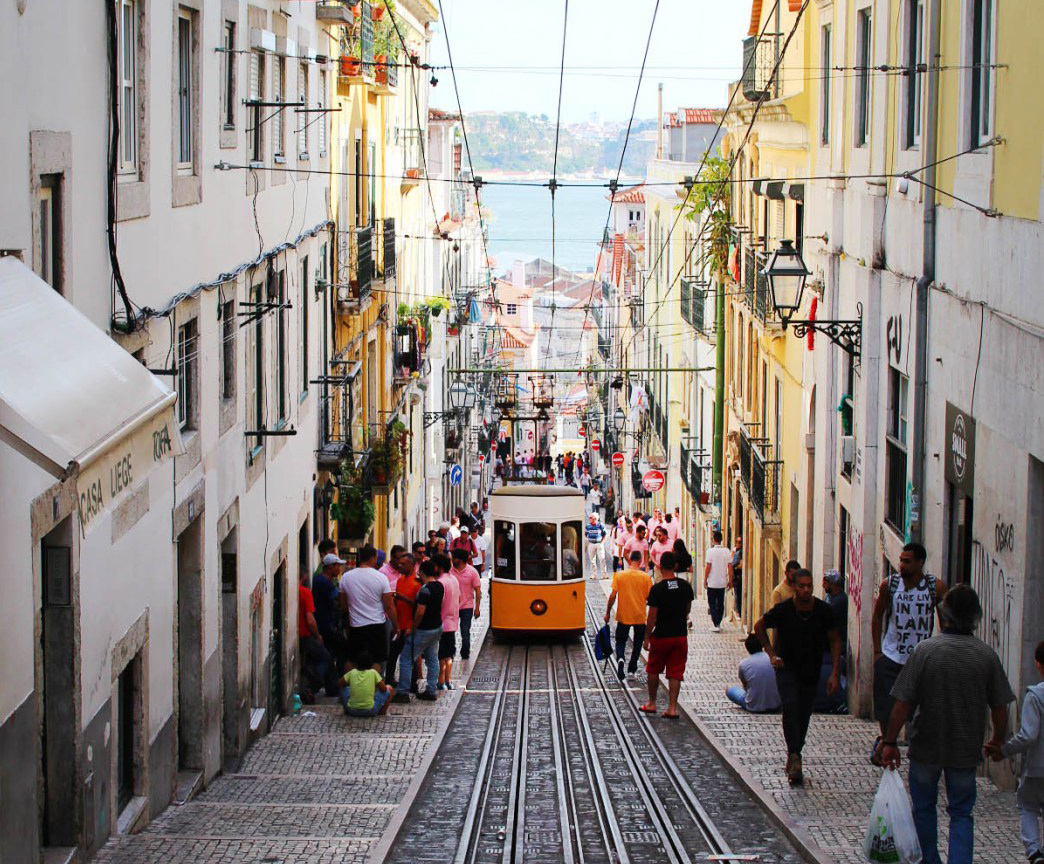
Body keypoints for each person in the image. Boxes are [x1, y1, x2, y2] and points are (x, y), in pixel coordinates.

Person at [879, 585, 1014, 864]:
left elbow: (903, 704)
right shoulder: (986, 655)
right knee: (962, 811)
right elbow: (1000, 706)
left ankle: (929, 861)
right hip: (965, 749)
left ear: (944, 615)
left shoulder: (925, 651)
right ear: (976, 617)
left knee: (924, 808)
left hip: (926, 746)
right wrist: (999, 740)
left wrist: (889, 742)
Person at [754, 568, 840, 785]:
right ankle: (795, 756)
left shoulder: (823, 611)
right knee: (790, 706)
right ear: (794, 588)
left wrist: (835, 673)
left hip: (811, 669)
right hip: (786, 668)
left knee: (804, 713)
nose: (805, 590)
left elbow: (834, 640)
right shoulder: (783, 610)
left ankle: (795, 752)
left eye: (809, 586)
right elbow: (759, 626)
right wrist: (771, 654)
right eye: (801, 586)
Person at [870, 542, 947, 759]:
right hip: (891, 656)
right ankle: (886, 742)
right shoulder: (890, 585)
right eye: (901, 560)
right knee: (885, 707)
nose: (901, 565)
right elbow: (877, 616)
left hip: (921, 659)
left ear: (920, 563)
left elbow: (945, 620)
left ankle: (917, 746)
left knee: (921, 708)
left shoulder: (935, 587)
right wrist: (877, 652)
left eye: (907, 561)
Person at [989, 640, 1044, 864]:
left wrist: (1005, 749)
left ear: (1038, 664)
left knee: (1027, 805)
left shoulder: (1036, 696)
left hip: (1038, 767)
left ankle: (1034, 851)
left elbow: (1029, 735)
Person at [641, 552, 694, 719]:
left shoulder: (657, 589)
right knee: (675, 672)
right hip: (680, 636)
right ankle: (672, 708)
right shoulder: (685, 586)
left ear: (659, 567)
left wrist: (647, 637)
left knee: (653, 669)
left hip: (662, 636)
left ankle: (652, 703)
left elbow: (652, 616)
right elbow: (687, 610)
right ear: (676, 566)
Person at [339, 546, 399, 672]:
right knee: (377, 659)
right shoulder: (381, 578)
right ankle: (375, 688)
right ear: (373, 558)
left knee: (352, 658)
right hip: (377, 624)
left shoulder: (346, 577)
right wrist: (396, 626)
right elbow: (389, 606)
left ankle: (348, 687)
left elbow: (343, 605)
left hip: (356, 625)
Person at [394, 559, 445, 701]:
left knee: (406, 659)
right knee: (432, 659)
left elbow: (420, 612)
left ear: (422, 572)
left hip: (423, 630)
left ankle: (403, 692)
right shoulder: (439, 586)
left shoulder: (425, 590)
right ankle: (431, 691)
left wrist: (412, 628)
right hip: (437, 627)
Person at [604, 549, 652, 681]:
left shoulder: (620, 575)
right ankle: (632, 668)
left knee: (620, 641)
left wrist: (608, 612)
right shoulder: (646, 578)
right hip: (639, 616)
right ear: (641, 561)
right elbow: (650, 598)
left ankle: (620, 658)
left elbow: (613, 595)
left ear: (629, 560)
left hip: (624, 615)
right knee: (637, 644)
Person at [814, 568, 849, 713]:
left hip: (835, 645)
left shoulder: (840, 600)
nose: (822, 585)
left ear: (832, 583)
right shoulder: (829, 597)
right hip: (827, 644)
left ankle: (838, 702)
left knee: (834, 674)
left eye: (825, 582)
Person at [298, 568, 335, 697]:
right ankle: (311, 687)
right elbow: (310, 619)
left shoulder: (292, 591)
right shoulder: (305, 592)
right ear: (303, 577)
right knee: (325, 657)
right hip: (305, 635)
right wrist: (317, 635)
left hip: (297, 635)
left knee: (313, 660)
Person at [726, 634, 782, 713]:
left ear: (747, 648)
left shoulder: (743, 664)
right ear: (761, 645)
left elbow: (745, 686)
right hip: (775, 704)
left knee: (729, 690)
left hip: (754, 706)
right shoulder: (773, 658)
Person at [387, 553, 419, 687]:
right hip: (399, 625)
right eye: (399, 563)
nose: (399, 566)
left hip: (410, 626)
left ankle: (412, 684)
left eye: (403, 564)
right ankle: (389, 679)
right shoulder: (400, 580)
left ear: (412, 565)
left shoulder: (416, 583)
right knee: (392, 655)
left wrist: (401, 598)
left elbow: (418, 606)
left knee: (411, 657)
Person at [313, 552, 348, 670]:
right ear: (330, 567)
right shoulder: (325, 583)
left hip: (323, 623)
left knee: (329, 652)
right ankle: (338, 676)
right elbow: (338, 598)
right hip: (326, 624)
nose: (339, 569)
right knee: (344, 647)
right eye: (337, 566)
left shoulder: (320, 580)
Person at [450, 549, 482, 661]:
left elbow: (478, 591)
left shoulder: (472, 572)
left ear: (459, 559)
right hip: (452, 606)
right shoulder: (450, 570)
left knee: (465, 631)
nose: (452, 559)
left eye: (454, 557)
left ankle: (465, 653)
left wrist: (477, 609)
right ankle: (451, 652)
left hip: (467, 606)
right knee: (451, 631)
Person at [340, 651, 394, 717]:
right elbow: (384, 689)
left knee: (344, 688)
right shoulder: (373, 672)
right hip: (370, 711)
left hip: (351, 710)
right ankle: (381, 712)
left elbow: (340, 683)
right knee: (389, 688)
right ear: (371, 664)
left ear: (357, 663)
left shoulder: (352, 672)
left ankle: (346, 709)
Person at [435, 555, 461, 690]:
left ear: (438, 567)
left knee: (441, 654)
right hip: (452, 623)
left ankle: (441, 681)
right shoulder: (454, 580)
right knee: (449, 654)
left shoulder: (440, 582)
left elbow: (438, 604)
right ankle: (448, 680)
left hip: (442, 623)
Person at [703, 531, 733, 632]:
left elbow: (708, 566)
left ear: (713, 539)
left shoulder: (710, 551)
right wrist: (730, 580)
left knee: (711, 603)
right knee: (720, 603)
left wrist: (705, 579)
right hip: (722, 582)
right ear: (721, 540)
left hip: (712, 582)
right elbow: (730, 567)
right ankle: (718, 622)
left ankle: (716, 622)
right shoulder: (727, 551)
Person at [584, 512, 608, 579]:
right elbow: (585, 534)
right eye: (590, 517)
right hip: (591, 544)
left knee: (602, 559)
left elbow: (605, 534)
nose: (590, 519)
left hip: (599, 543)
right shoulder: (588, 526)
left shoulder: (600, 525)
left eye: (591, 517)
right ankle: (593, 574)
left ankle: (604, 574)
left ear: (595, 519)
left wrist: (602, 542)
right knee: (592, 561)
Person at [730, 536, 743, 623]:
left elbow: (741, 565)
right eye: (737, 542)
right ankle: (737, 611)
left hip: (739, 576)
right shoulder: (735, 551)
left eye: (740, 542)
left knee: (739, 594)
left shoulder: (742, 552)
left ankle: (739, 612)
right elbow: (731, 561)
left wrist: (736, 567)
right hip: (736, 576)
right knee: (737, 594)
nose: (738, 544)